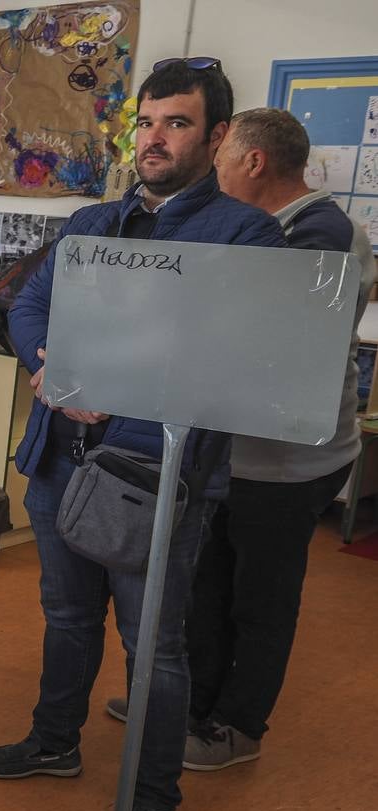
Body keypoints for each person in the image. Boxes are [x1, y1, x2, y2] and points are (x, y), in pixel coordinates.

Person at [0, 59, 286, 811]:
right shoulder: (91, 221)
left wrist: (105, 381)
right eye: (145, 122)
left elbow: (226, 358)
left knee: (157, 650)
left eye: (175, 123)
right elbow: (30, 304)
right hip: (56, 466)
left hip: (154, 478)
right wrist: (48, 365)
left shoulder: (242, 236)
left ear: (216, 137)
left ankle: (151, 801)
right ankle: (53, 742)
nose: (153, 138)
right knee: (67, 618)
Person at [174, 107, 375, 769]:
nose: (214, 169)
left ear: (253, 161)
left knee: (259, 596)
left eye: (221, 155)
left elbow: (267, 337)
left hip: (286, 461)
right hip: (237, 454)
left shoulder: (321, 231)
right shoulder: (267, 226)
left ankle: (237, 725)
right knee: (209, 584)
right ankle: (194, 704)